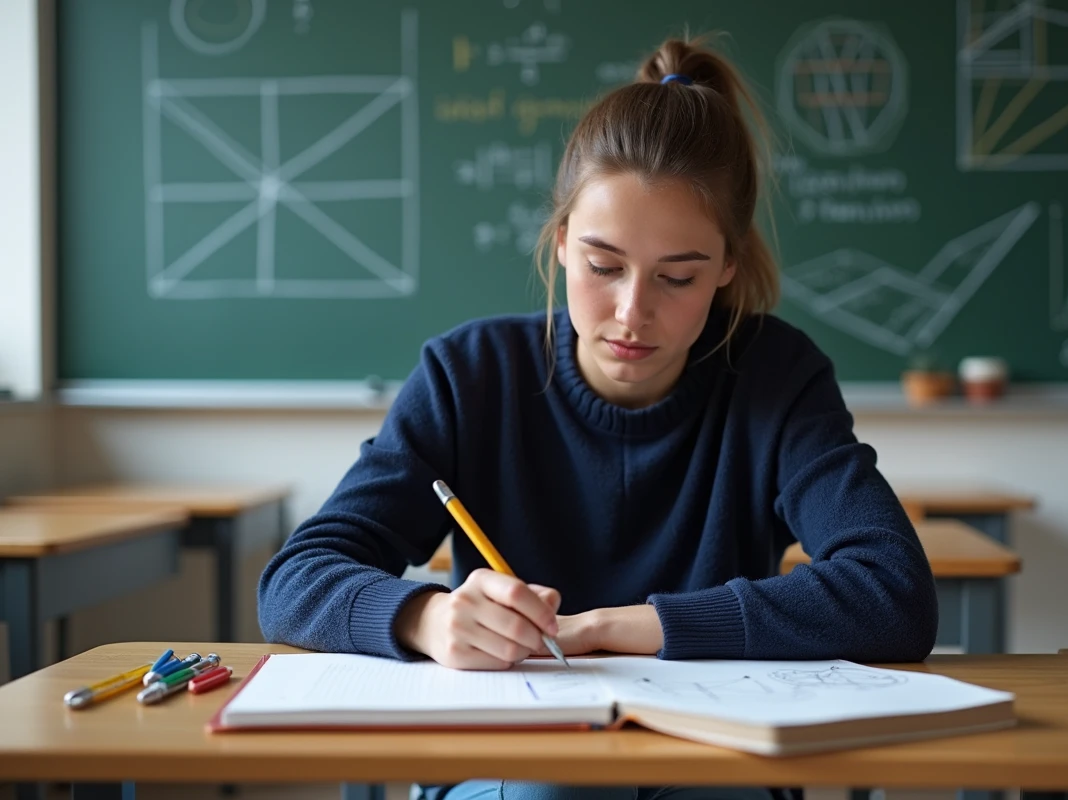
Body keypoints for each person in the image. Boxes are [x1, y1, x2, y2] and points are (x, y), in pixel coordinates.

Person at [258, 33, 938, 800]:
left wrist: (615, 628)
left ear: (727, 269)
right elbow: (294, 580)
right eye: (603, 266)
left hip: (711, 760)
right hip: (513, 762)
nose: (631, 312)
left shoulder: (777, 377)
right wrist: (424, 617)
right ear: (559, 242)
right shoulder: (468, 375)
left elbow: (895, 594)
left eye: (677, 277)